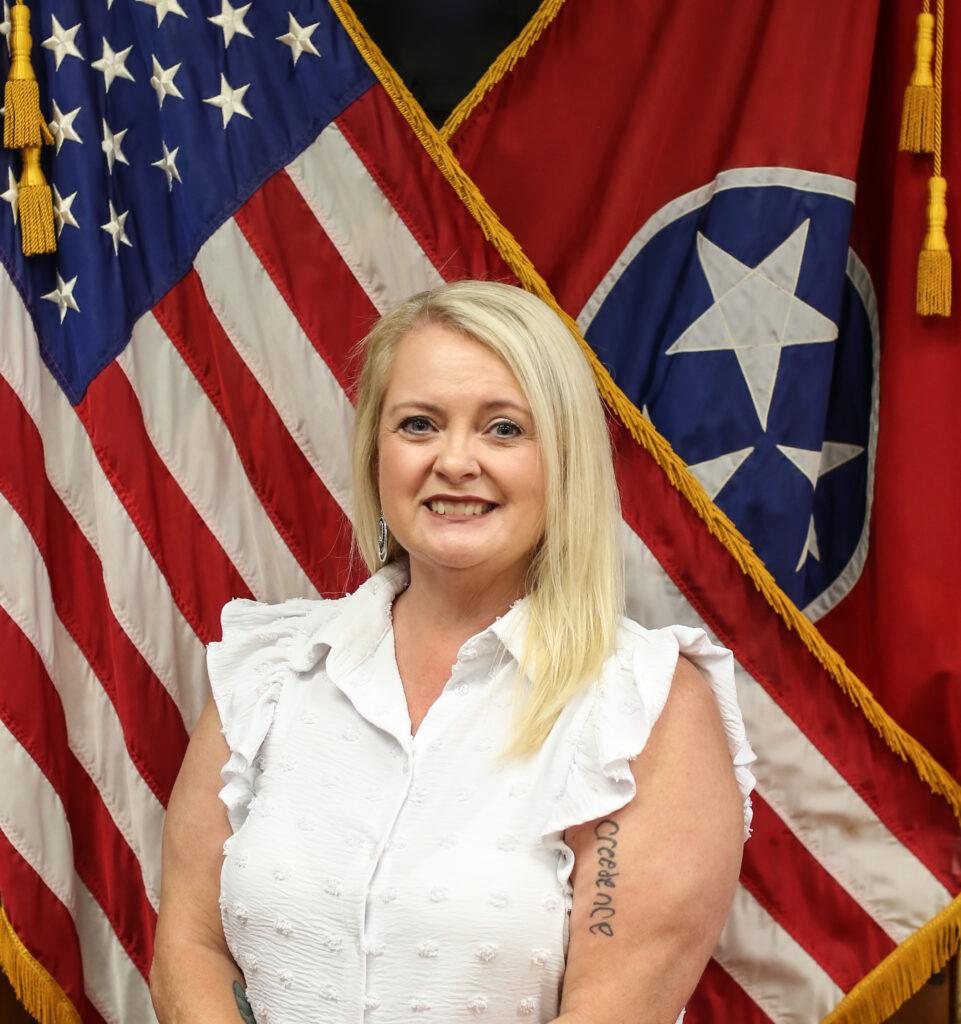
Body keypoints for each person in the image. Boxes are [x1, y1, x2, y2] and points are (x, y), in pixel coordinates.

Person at [150, 280, 755, 1024]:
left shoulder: (646, 707)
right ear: (377, 451)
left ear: (565, 458)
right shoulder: (268, 671)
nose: (456, 460)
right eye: (419, 424)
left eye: (504, 428)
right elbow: (190, 946)